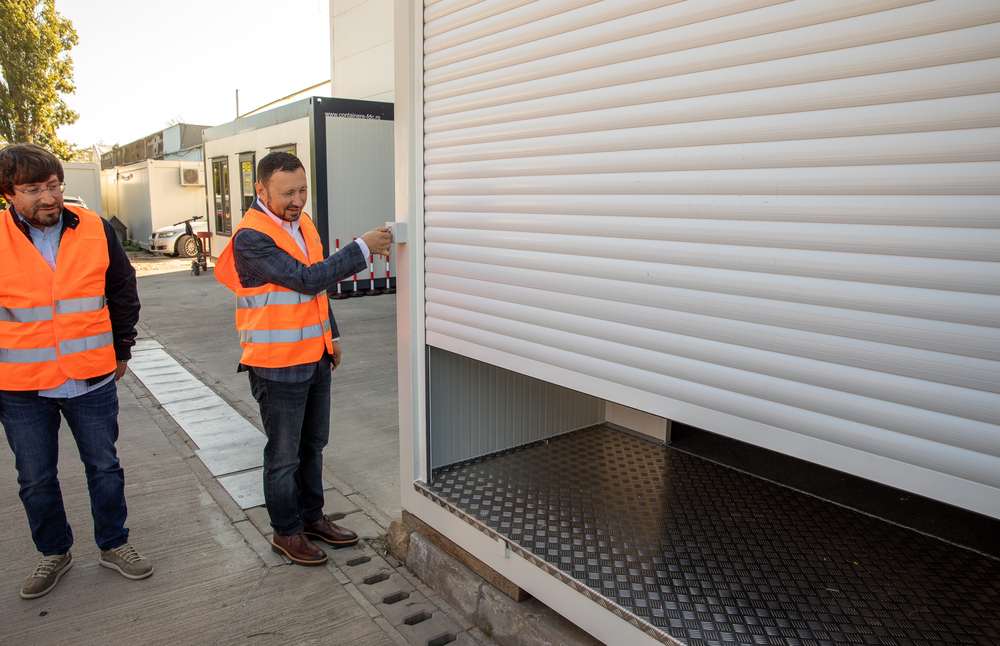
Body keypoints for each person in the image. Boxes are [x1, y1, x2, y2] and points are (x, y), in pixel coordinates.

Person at [215, 152, 392, 565]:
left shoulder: (303, 224)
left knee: (313, 445)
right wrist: (363, 247)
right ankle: (287, 531)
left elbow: (317, 290)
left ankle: (312, 518)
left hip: (315, 356)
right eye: (287, 193)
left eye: (302, 190)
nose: (297, 200)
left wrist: (332, 336)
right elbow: (306, 278)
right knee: (283, 456)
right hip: (276, 365)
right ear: (261, 190)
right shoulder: (251, 237)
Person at [0, 144, 152, 600]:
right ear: (8, 193)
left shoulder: (94, 228)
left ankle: (114, 543)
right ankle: (54, 552)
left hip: (91, 377)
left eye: (54, 186)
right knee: (35, 478)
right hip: (22, 387)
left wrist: (122, 348)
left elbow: (122, 289)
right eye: (33, 189)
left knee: (104, 467)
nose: (49, 197)